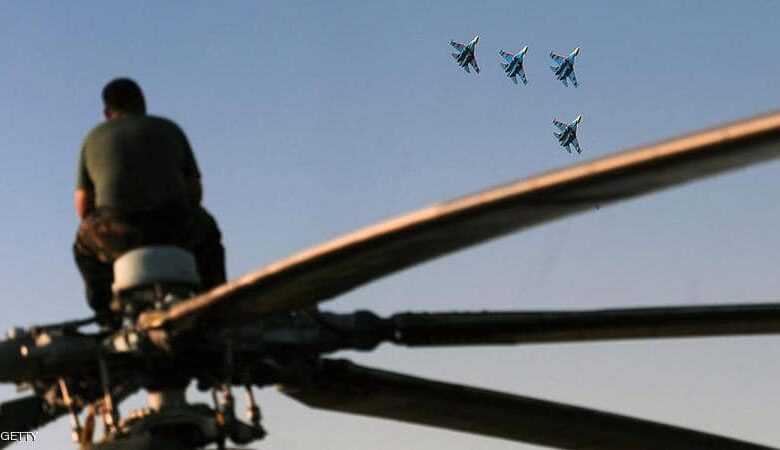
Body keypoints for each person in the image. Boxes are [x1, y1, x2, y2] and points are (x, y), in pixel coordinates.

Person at [73, 78, 226, 325]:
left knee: (83, 249)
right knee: (209, 234)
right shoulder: (170, 129)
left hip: (120, 231)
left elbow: (83, 207)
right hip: (174, 225)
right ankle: (216, 305)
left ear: (107, 113)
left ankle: (107, 318)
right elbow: (195, 193)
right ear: (143, 104)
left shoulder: (93, 138)